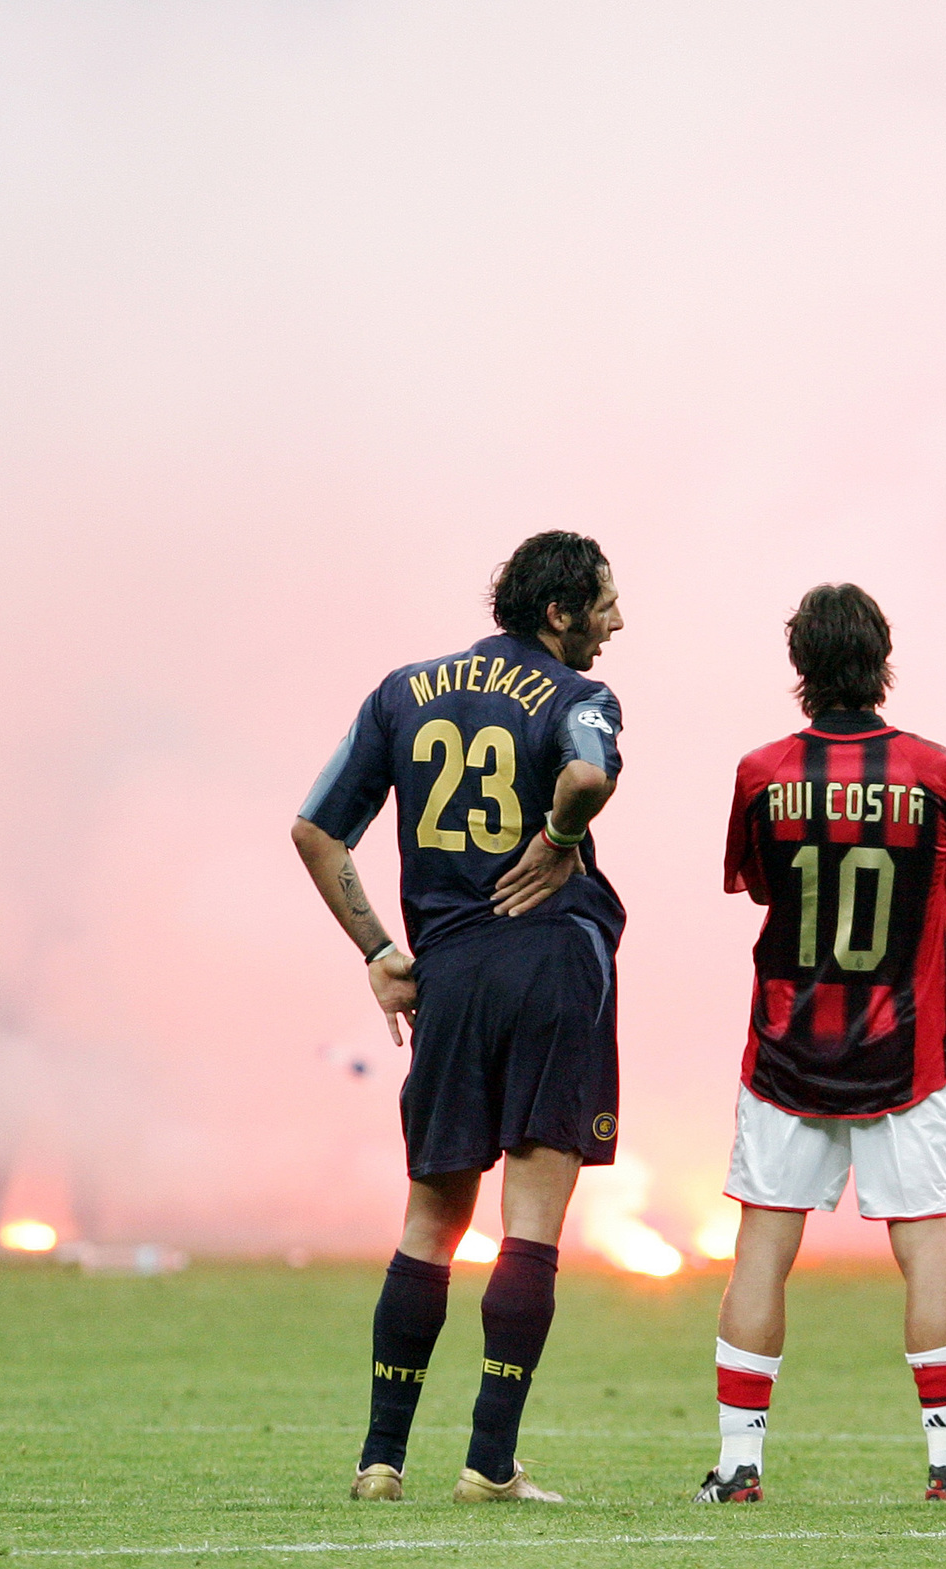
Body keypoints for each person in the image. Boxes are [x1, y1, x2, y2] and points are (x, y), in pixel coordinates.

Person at [290, 530, 628, 1504]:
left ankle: (380, 1460)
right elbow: (589, 775)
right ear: (558, 611)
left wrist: (380, 954)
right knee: (531, 1224)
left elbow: (316, 830)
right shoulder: (579, 698)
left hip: (447, 975)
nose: (617, 620)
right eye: (604, 602)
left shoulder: (403, 692)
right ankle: (488, 1465)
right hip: (553, 966)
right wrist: (562, 836)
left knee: (432, 1218)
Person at [694, 584, 946, 1505]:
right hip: (909, 1046)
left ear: (801, 667)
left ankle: (738, 1465)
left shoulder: (760, 770)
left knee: (761, 1249)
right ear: (883, 658)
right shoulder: (933, 769)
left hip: (789, 1046)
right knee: (928, 1247)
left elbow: (757, 888)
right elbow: (945, 892)